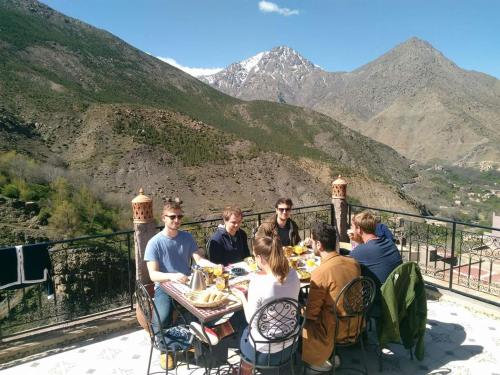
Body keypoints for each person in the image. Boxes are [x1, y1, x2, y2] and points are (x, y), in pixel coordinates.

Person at [144, 198, 216, 370]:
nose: (177, 220)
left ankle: (198, 341)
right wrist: (173, 276)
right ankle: (165, 350)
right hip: (165, 287)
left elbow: (198, 259)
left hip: (187, 286)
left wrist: (215, 266)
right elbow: (153, 275)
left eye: (179, 217)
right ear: (163, 218)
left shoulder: (187, 237)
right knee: (160, 320)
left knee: (207, 310)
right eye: (172, 217)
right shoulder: (154, 243)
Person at [232, 236, 300, 368]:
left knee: (241, 322)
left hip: (265, 352)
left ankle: (244, 368)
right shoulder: (293, 274)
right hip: (291, 344)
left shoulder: (258, 282)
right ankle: (221, 331)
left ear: (260, 258)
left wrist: (241, 296)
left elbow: (250, 318)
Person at [302, 222, 361, 372]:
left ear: (319, 245)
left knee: (304, 318)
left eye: (313, 242)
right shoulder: (353, 263)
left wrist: (301, 310)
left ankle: (318, 362)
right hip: (356, 322)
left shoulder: (320, 272)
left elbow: (312, 313)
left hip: (337, 328)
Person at [349, 211, 402, 288]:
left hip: (376, 296)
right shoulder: (390, 243)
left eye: (352, 227)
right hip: (395, 291)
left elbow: (347, 268)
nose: (351, 229)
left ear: (359, 229)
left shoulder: (359, 251)